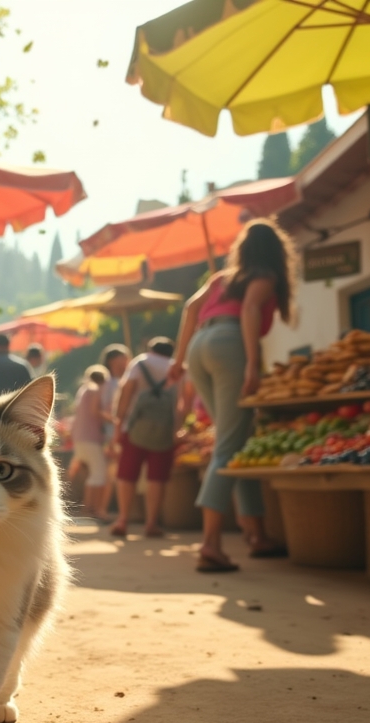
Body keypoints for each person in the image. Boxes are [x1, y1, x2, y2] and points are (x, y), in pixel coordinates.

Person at [169, 218, 293, 573]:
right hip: (229, 346)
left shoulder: (221, 279)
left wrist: (178, 363)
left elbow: (191, 310)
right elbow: (251, 310)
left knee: (236, 440)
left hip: (199, 347)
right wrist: (253, 365)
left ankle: (256, 534)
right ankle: (210, 543)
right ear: (275, 251)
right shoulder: (265, 276)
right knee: (229, 444)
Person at [110, 337, 178, 539]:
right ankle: (151, 523)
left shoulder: (140, 362)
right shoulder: (176, 366)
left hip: (134, 427)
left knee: (127, 474)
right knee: (156, 477)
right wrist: (178, 428)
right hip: (164, 429)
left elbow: (127, 391)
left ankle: (122, 520)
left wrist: (119, 422)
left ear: (151, 348)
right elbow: (184, 399)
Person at [66, 364, 111, 520]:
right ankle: (92, 508)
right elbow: (94, 411)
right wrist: (112, 419)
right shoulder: (94, 390)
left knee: (93, 473)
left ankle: (88, 507)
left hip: (80, 437)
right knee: (99, 474)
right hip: (90, 437)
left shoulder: (83, 390)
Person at [96, 343, 131, 518]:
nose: (126, 361)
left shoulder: (118, 381)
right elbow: (101, 410)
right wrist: (115, 420)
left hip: (116, 433)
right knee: (111, 474)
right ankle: (102, 509)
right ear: (112, 361)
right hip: (112, 435)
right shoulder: (109, 384)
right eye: (122, 358)